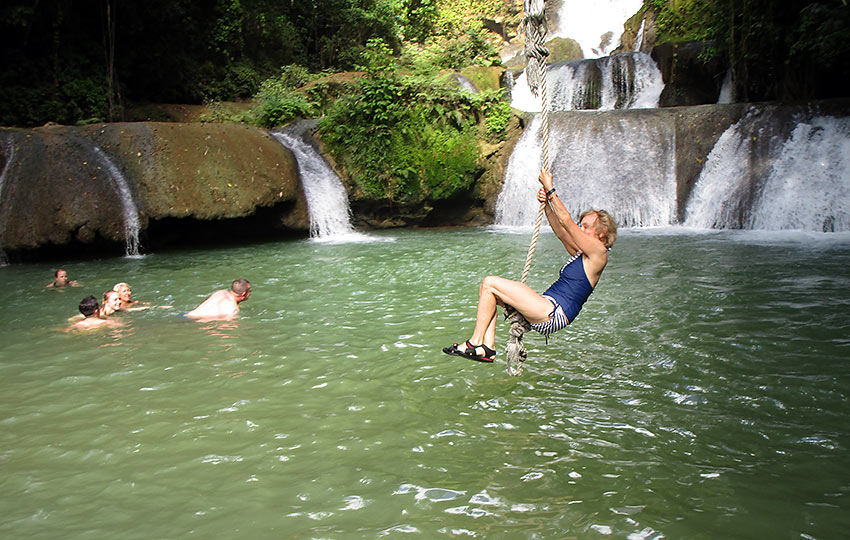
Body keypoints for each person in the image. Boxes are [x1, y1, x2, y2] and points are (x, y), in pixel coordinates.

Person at [443, 169, 617, 362]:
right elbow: (561, 232)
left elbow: (567, 222)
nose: (581, 229)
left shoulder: (598, 254)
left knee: (490, 282)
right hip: (547, 307)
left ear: (602, 233)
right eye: (581, 225)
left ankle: (475, 342)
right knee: (488, 290)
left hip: (553, 312)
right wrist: (547, 206)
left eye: (586, 226)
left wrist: (550, 189)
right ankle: (487, 347)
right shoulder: (582, 255)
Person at [185, 279, 251, 321]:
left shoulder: (221, 292)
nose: (250, 294)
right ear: (244, 293)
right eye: (250, 291)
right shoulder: (233, 309)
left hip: (185, 315)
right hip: (192, 321)